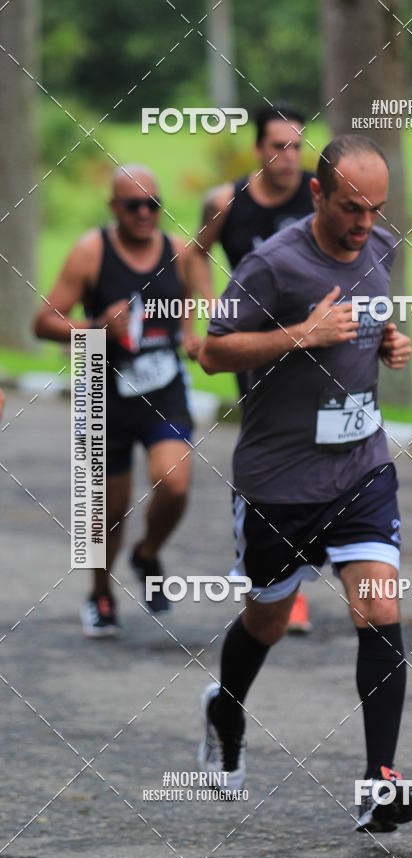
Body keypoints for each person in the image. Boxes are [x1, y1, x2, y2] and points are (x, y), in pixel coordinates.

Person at [197, 135, 412, 833]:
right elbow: (211, 351)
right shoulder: (273, 264)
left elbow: (374, 316)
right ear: (319, 194)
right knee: (267, 621)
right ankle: (225, 709)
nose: (365, 223)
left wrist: (388, 341)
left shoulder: (380, 246)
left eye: (376, 208)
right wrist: (302, 333)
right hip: (279, 485)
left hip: (361, 470)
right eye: (352, 207)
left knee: (379, 611)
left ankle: (380, 780)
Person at [34, 165, 201, 637]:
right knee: (109, 507)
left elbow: (186, 299)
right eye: (134, 205)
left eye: (154, 204)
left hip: (163, 386)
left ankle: (146, 554)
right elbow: (43, 321)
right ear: (114, 208)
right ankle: (101, 593)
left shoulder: (177, 251)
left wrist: (187, 336)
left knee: (176, 484)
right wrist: (94, 330)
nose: (145, 213)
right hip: (102, 388)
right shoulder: (92, 251)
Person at [193, 102, 316, 634]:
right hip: (252, 347)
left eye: (297, 146)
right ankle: (273, 576)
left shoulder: (319, 194)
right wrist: (209, 312)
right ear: (257, 149)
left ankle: (297, 579)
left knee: (317, 454)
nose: (288, 158)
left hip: (315, 347)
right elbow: (195, 253)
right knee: (270, 455)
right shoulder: (227, 202)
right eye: (278, 147)